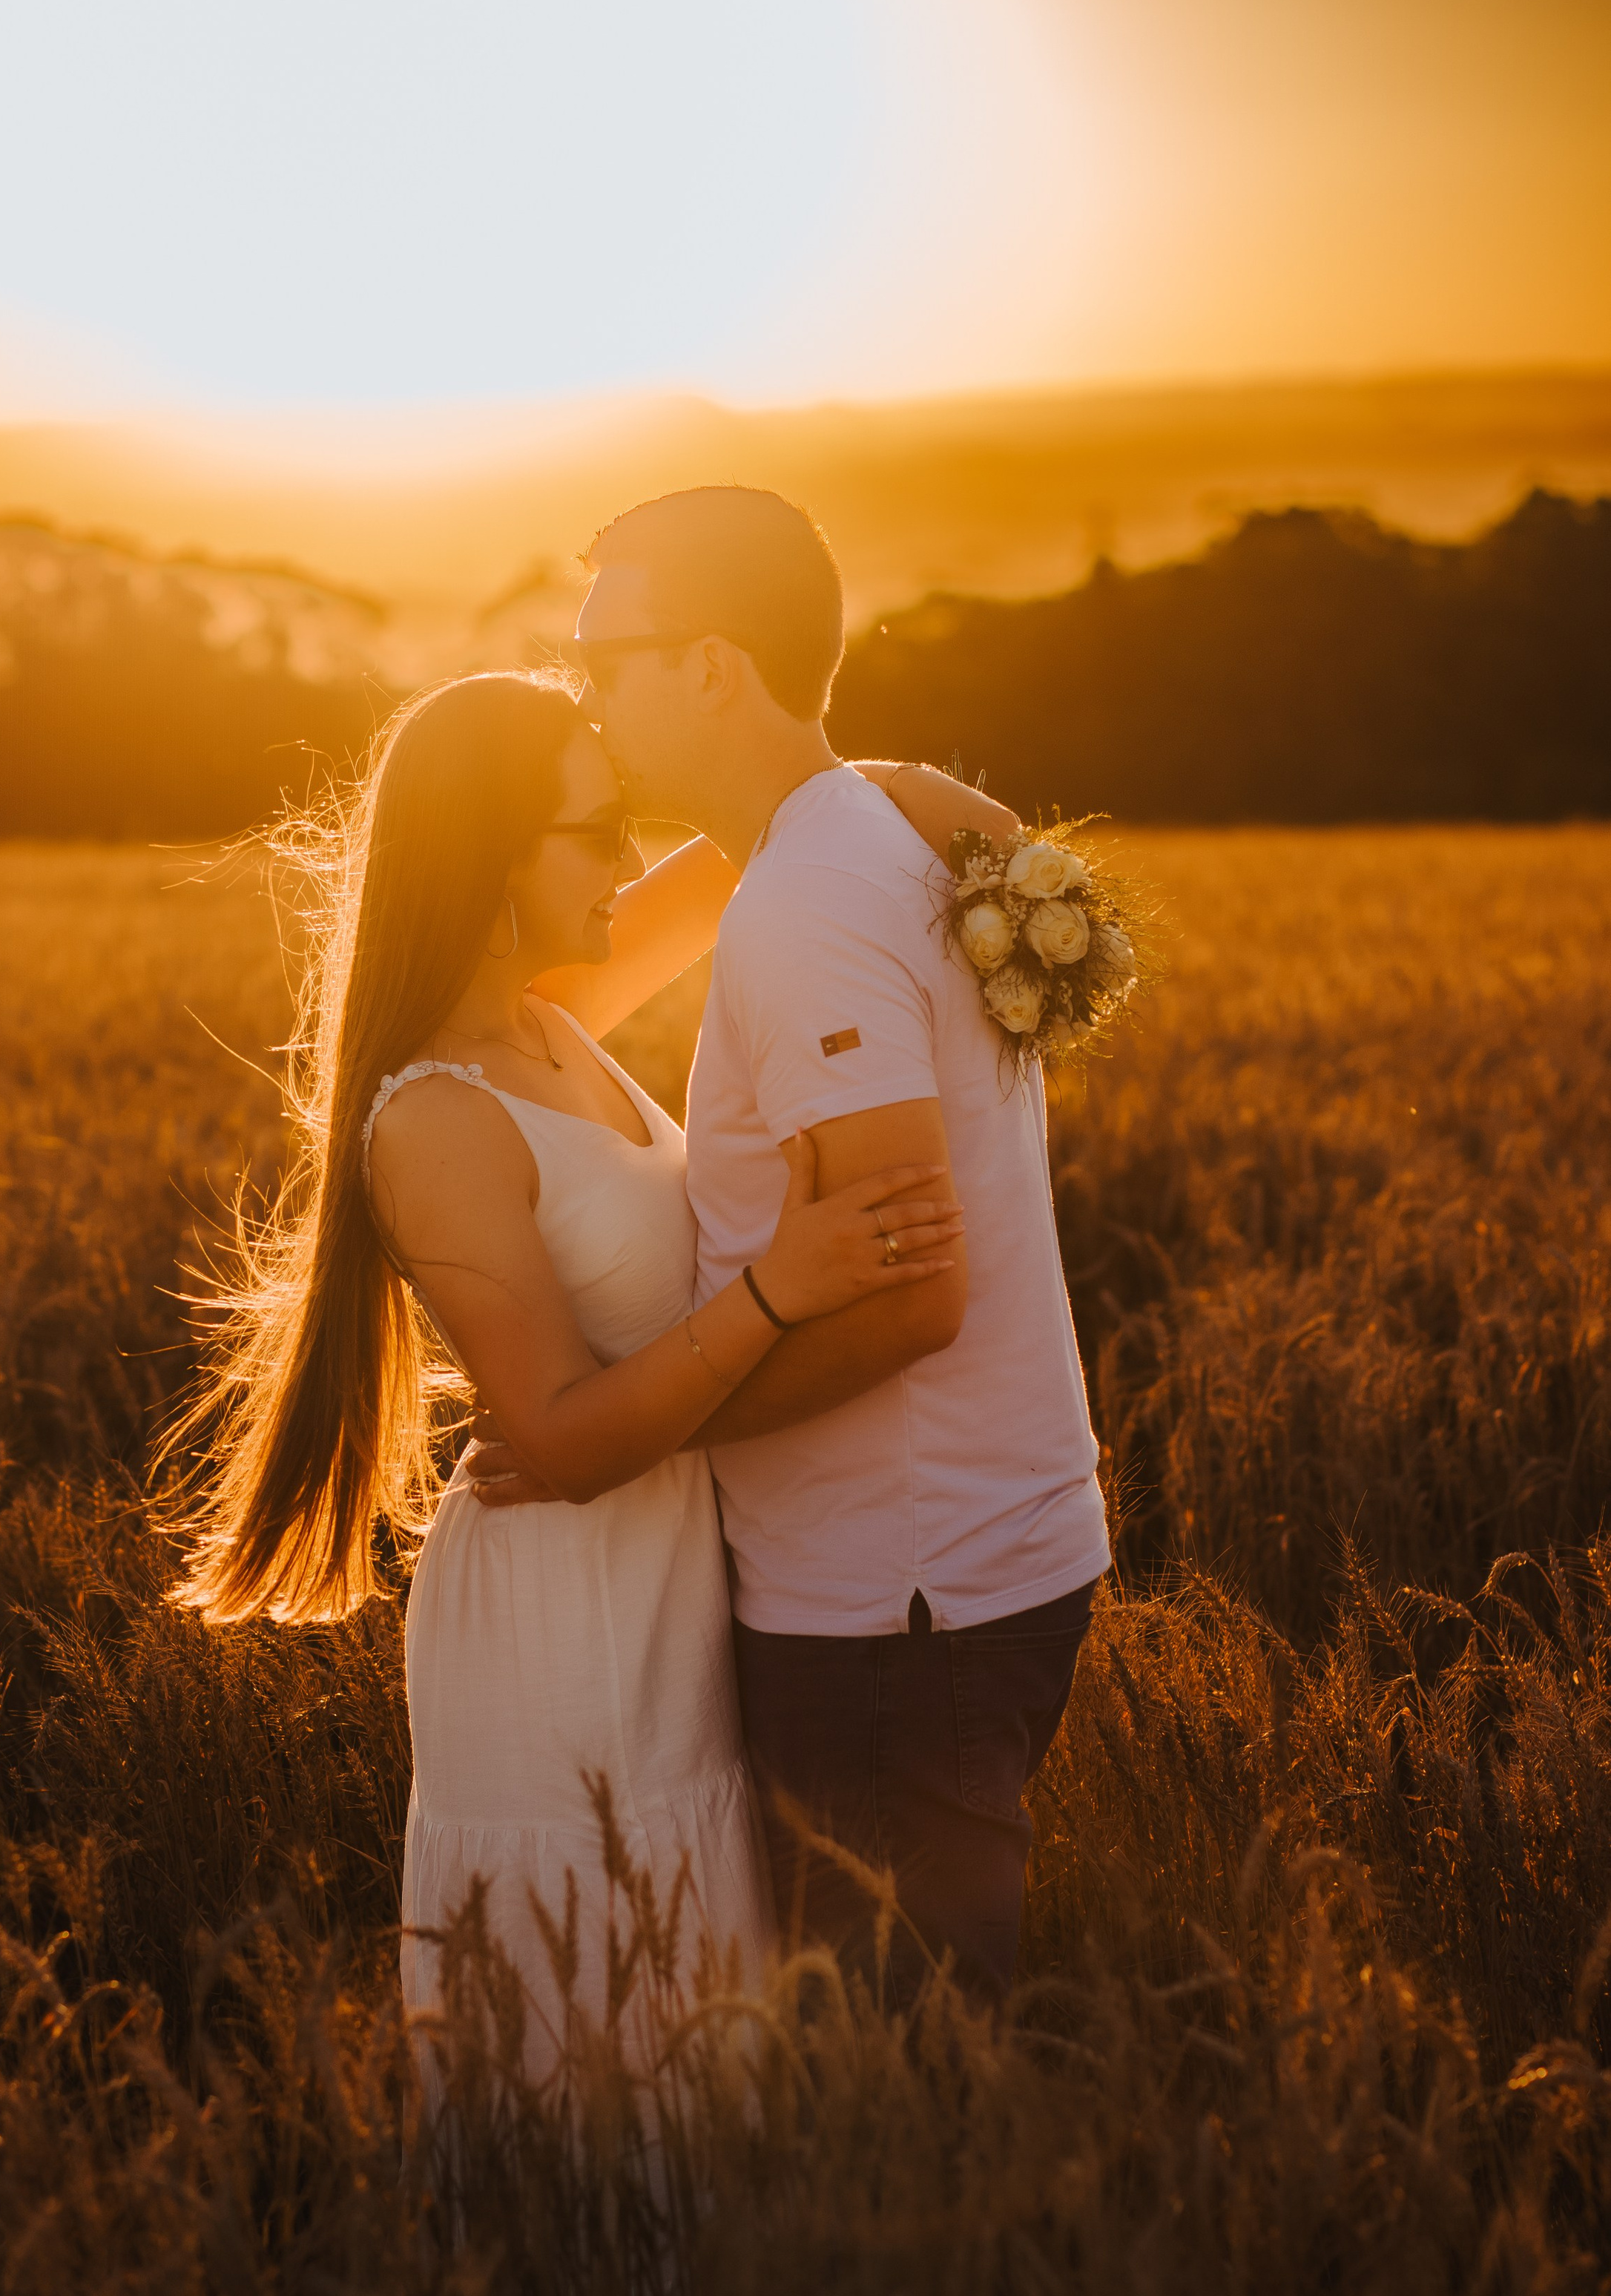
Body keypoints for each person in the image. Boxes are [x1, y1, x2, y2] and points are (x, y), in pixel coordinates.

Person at [169, 667, 970, 2062]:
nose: (625, 858)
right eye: (593, 830)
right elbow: (564, 1444)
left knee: (692, 2019)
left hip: (669, 1588)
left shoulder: (553, 1011)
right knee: (599, 2028)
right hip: (563, 1620)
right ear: (491, 859)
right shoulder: (434, 1119)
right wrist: (784, 1285)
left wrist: (964, 823)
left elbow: (761, 836)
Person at [472, 488, 1110, 2003]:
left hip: (896, 1593)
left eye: (603, 662)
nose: (588, 701)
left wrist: (628, 1437)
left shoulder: (809, 901)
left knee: (902, 2072)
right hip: (961, 1555)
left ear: (708, 667)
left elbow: (905, 1295)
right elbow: (547, 1003)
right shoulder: (849, 835)